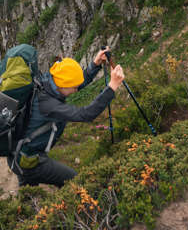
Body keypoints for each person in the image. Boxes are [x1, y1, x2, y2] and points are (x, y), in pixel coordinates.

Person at [8, 47, 125, 188]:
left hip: (18, 152)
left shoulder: (48, 81)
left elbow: (74, 83)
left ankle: (26, 200)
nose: (77, 89)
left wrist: (95, 65)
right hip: (29, 161)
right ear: (64, 85)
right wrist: (112, 87)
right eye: (74, 87)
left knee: (29, 191)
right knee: (74, 182)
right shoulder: (49, 105)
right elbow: (86, 114)